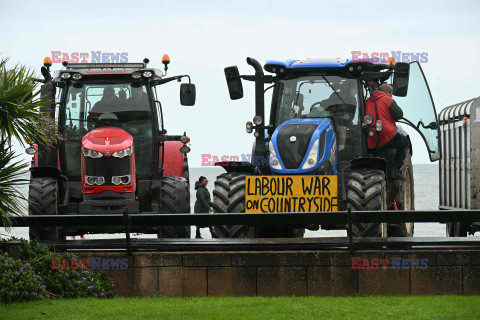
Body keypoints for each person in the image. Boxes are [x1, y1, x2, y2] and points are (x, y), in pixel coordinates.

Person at [365, 83, 408, 179]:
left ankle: (383, 174)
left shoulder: (367, 101)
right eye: (391, 94)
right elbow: (399, 114)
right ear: (388, 92)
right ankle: (395, 169)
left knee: (381, 152)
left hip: (371, 136)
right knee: (404, 142)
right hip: (386, 134)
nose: (391, 96)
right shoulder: (387, 99)